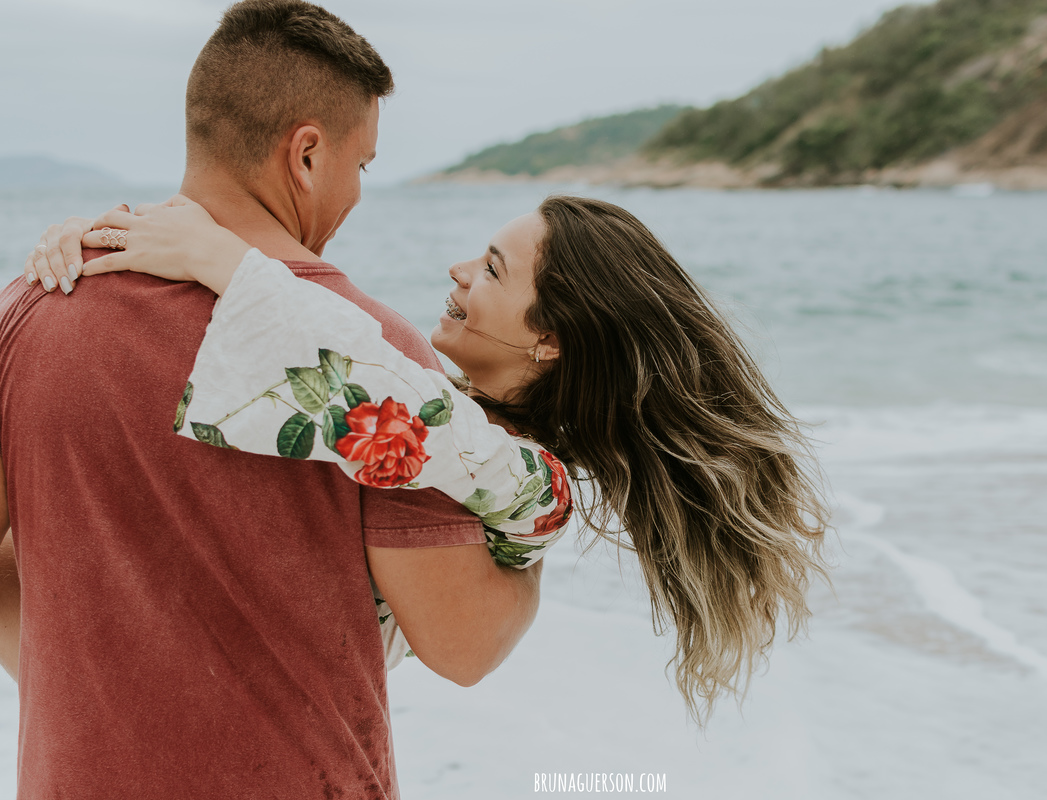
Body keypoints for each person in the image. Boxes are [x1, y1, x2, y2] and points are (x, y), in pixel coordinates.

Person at [0, 2, 548, 797]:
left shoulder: (34, 306)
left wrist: (95, 683)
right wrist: (529, 551)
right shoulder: (372, 354)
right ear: (308, 154)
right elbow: (463, 644)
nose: (357, 192)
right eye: (362, 166)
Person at [27, 192, 832, 726]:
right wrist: (98, 244)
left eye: (491, 268)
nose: (456, 271)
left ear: (549, 338)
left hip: (238, 714)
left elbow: (381, 398)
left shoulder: (532, 481)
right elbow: (376, 367)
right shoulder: (463, 423)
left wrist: (222, 261)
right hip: (154, 687)